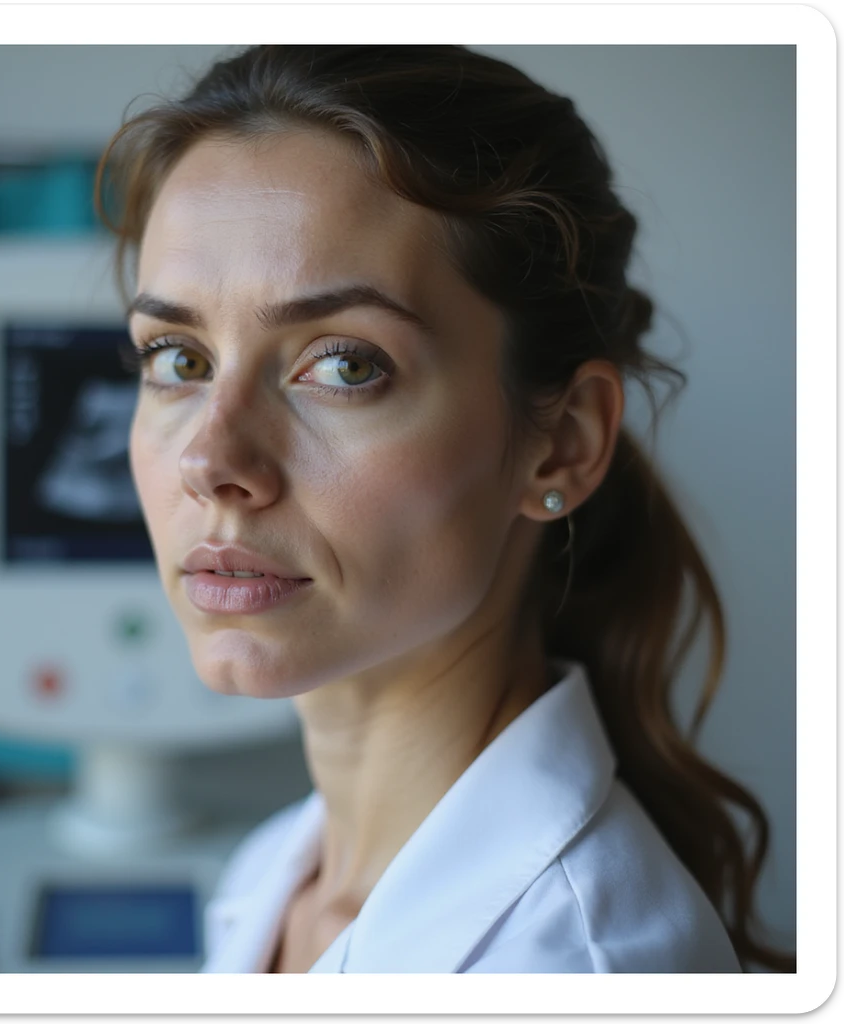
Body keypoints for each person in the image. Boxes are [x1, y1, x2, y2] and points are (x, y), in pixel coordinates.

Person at [94, 45, 793, 974]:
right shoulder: (274, 876)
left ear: (564, 442)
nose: (213, 462)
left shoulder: (581, 969)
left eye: (344, 365)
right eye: (179, 359)